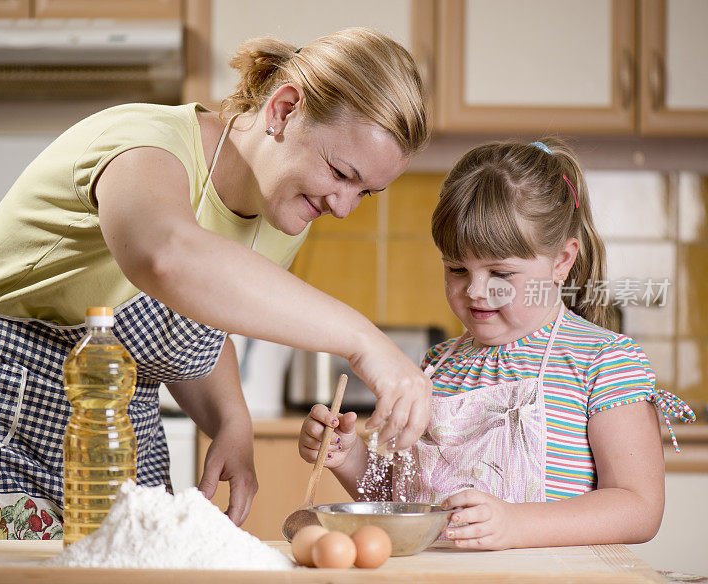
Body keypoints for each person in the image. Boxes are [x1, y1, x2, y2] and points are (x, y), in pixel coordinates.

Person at [0, 27, 433, 568]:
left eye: (364, 192)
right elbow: (168, 258)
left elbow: (193, 316)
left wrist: (232, 420)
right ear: (283, 108)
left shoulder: (283, 216)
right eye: (340, 174)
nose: (345, 206)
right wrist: (365, 341)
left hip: (109, 454)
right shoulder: (147, 144)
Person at [298, 139, 696, 550]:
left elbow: (639, 507)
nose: (475, 290)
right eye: (456, 268)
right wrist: (347, 457)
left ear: (561, 261)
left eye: (501, 273)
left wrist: (516, 525)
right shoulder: (437, 365)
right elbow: (404, 508)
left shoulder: (605, 361)